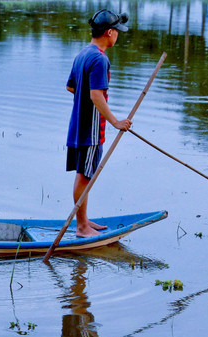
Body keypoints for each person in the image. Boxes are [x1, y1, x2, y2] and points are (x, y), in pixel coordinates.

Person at [66, 9, 132, 238]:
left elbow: (71, 87)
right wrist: (116, 122)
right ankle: (82, 226)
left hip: (77, 125)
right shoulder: (100, 59)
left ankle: (83, 221)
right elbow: (96, 96)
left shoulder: (82, 54)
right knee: (85, 175)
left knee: (83, 173)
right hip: (91, 129)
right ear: (110, 32)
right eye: (118, 32)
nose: (118, 36)